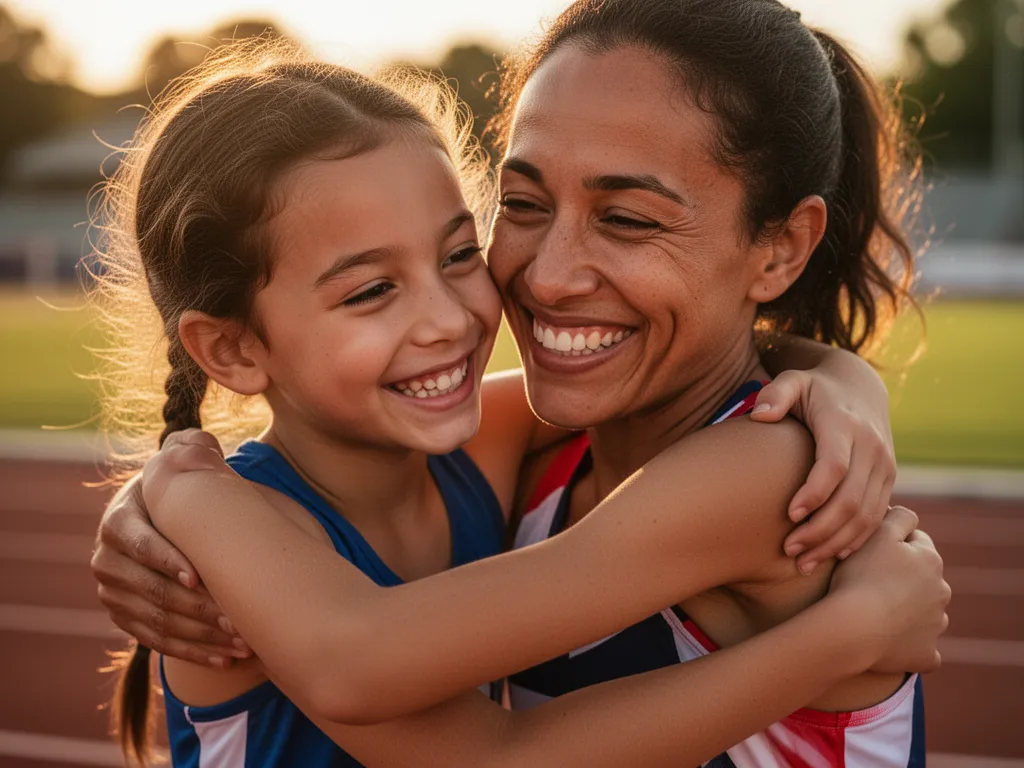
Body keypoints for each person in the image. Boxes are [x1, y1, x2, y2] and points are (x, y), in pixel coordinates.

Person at [89, 6, 947, 767]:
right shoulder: (536, 446)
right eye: (524, 204)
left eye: (627, 219)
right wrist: (169, 490)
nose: (549, 274)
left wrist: (181, 492)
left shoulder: (770, 476)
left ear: (783, 247)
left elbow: (400, 689)